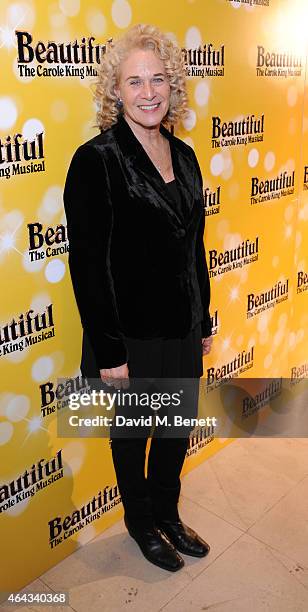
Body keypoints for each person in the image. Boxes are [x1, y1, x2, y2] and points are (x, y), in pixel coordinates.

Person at [63, 23, 213, 572]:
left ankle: (168, 514)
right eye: (134, 82)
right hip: (129, 335)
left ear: (172, 86)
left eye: (158, 80)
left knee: (176, 428)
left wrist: (205, 320)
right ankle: (141, 523)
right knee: (132, 438)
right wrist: (110, 353)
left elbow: (194, 245)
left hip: (182, 326)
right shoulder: (96, 159)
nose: (148, 92)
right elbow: (88, 264)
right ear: (115, 91)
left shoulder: (187, 155)